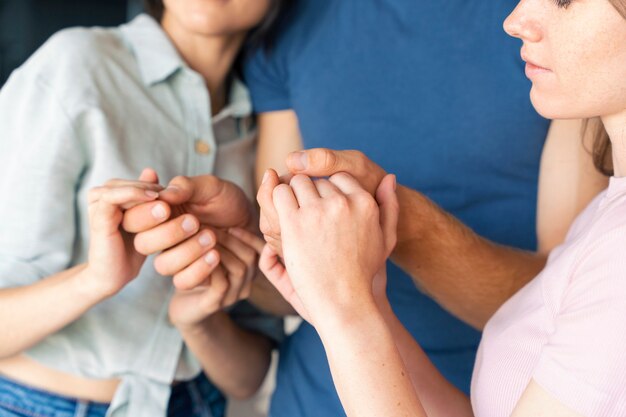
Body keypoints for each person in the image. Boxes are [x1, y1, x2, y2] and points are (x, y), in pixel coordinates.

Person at [259, 0, 626, 415]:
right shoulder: (606, 218)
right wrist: (362, 300)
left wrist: (348, 315)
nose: (514, 21)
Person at [0, 1, 286, 416]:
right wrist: (94, 280)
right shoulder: (75, 65)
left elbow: (248, 378)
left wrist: (200, 322)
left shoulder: (268, 134)